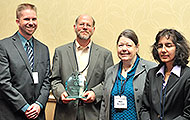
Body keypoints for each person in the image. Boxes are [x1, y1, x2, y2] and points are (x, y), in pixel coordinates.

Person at [50, 14, 114, 120]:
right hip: (66, 112)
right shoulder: (60, 52)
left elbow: (109, 81)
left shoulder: (105, 54)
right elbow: (54, 79)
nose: (85, 27)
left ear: (93, 29)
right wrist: (61, 93)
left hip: (92, 113)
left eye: (88, 25)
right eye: (81, 24)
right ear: (75, 27)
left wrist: (95, 93)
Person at [0, 3, 51, 120]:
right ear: (18, 22)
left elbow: (47, 81)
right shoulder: (4, 46)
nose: (31, 23)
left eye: (34, 19)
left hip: (38, 114)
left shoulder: (44, 49)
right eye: (26, 19)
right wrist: (24, 107)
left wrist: (39, 105)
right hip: (12, 113)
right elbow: (3, 82)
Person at [99, 29, 156, 120]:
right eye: (120, 45)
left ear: (137, 47)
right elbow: (104, 103)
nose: (124, 49)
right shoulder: (110, 71)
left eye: (129, 45)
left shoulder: (150, 69)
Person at [139, 29, 190, 120]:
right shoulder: (152, 74)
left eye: (168, 45)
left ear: (178, 48)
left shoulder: (187, 75)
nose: (163, 50)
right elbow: (144, 108)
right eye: (159, 46)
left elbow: (188, 114)